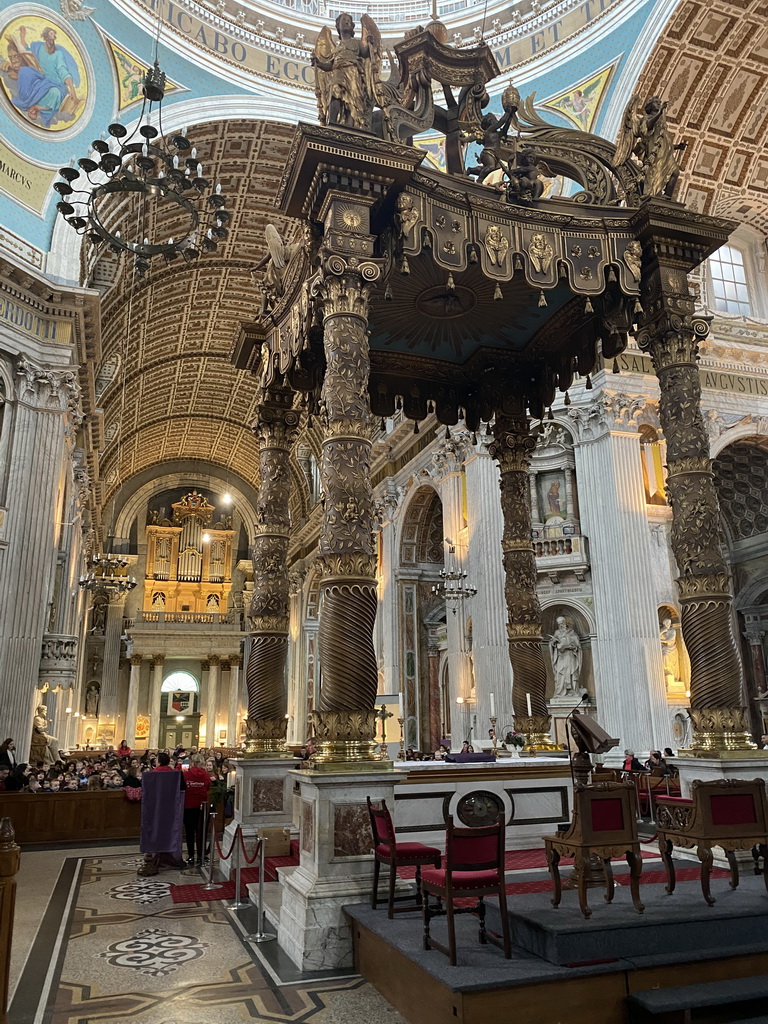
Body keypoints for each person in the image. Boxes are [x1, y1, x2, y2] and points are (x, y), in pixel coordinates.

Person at [138, 752, 186, 876]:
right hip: (172, 809)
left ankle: (155, 855)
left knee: (155, 829)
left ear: (158, 761)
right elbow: (182, 789)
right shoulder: (175, 774)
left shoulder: (152, 775)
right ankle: (171, 854)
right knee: (170, 829)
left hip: (155, 809)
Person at [183, 753, 211, 866]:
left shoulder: (186, 774)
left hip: (188, 806)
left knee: (189, 832)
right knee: (201, 832)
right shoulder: (206, 774)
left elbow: (183, 787)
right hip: (202, 806)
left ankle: (190, 855)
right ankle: (201, 855)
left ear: (192, 762)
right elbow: (208, 787)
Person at [549, 617, 583, 698]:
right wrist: (553, 643)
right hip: (561, 657)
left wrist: (572, 646)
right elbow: (552, 644)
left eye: (562, 623)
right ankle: (560, 692)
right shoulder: (557, 632)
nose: (561, 625)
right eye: (559, 624)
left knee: (572, 673)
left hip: (571, 656)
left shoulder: (572, 633)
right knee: (560, 674)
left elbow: (578, 646)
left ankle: (573, 691)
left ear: (565, 622)